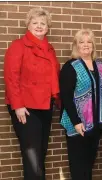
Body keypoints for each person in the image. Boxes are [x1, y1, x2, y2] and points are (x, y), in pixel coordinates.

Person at [3, 7, 60, 180]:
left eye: (43, 23)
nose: (39, 26)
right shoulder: (18, 46)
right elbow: (11, 77)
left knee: (41, 152)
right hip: (26, 107)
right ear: (28, 25)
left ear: (48, 27)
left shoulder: (50, 49)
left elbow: (53, 77)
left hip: (45, 105)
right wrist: (18, 106)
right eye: (35, 22)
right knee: (32, 157)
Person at [59, 29, 102, 180]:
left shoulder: (100, 65)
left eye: (89, 41)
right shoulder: (70, 66)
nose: (86, 45)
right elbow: (66, 97)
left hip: (96, 124)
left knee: (89, 163)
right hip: (78, 124)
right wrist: (76, 122)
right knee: (79, 165)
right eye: (81, 42)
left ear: (93, 45)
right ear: (76, 46)